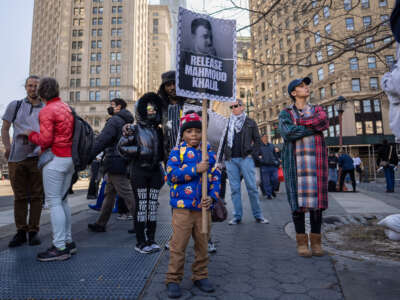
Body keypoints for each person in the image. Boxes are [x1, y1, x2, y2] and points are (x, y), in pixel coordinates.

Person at [165, 112, 220, 298]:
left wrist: (211, 197)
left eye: (198, 131)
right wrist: (195, 169)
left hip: (203, 209)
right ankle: (173, 278)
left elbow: (215, 178)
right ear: (183, 134)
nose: (194, 135)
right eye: (189, 131)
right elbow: (171, 176)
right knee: (178, 245)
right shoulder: (176, 152)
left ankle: (200, 275)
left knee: (202, 245)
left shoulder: (209, 154)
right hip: (182, 209)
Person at [24, 77, 75, 261]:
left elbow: (45, 140)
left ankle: (59, 246)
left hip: (55, 159)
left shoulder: (47, 111)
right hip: (70, 159)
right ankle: (68, 242)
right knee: (63, 201)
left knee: (54, 202)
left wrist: (31, 135)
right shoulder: (66, 107)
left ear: (42, 92)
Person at [279, 77, 329, 257]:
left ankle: (316, 243)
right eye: (301, 86)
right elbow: (287, 133)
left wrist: (300, 124)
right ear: (293, 93)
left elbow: (324, 123)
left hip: (316, 163)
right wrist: (312, 128)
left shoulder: (318, 109)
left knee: (317, 205)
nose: (306, 87)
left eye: (306, 85)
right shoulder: (285, 113)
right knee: (297, 204)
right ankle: (301, 242)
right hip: (295, 164)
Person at [118, 93, 165, 254]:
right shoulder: (133, 129)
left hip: (155, 173)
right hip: (139, 171)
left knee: (152, 206)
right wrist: (139, 151)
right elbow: (121, 147)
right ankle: (140, 241)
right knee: (142, 206)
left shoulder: (159, 130)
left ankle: (151, 239)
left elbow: (164, 151)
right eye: (148, 109)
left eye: (154, 109)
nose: (151, 112)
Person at [1, 75, 44, 247]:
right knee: (19, 197)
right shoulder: (15, 105)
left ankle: (33, 231)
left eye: (36, 86)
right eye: (30, 86)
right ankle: (20, 231)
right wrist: (8, 147)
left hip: (37, 157)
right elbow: (4, 128)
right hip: (16, 158)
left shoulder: (46, 108)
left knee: (36, 197)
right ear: (25, 87)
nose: (33, 89)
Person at [88, 98, 136, 233]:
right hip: (121, 160)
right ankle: (101, 223)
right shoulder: (126, 121)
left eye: (112, 105)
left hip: (115, 161)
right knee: (109, 194)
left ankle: (141, 223)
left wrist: (89, 155)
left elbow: (103, 139)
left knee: (127, 194)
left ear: (118, 107)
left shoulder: (115, 120)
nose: (109, 107)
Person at [220, 99, 268, 225]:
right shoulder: (228, 122)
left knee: (252, 187)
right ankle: (237, 216)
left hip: (246, 159)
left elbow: (257, 140)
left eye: (236, 106)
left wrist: (252, 155)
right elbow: (222, 142)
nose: (233, 108)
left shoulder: (250, 122)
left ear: (242, 107)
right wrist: (221, 159)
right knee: (235, 189)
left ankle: (258, 215)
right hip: (230, 160)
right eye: (231, 107)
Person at [259, 134, 279, 199]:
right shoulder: (259, 147)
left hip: (273, 166)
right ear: (261, 138)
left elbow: (275, 155)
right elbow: (257, 155)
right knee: (266, 182)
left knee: (275, 179)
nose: (266, 138)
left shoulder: (271, 145)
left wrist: (277, 162)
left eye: (267, 137)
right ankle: (269, 194)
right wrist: (261, 160)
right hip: (264, 167)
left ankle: (272, 190)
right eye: (264, 137)